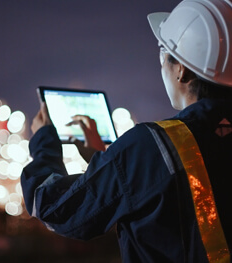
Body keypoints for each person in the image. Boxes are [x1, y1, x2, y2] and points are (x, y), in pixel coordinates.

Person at [20, 0, 232, 262]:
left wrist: (43, 141)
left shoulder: (152, 145)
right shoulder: (154, 150)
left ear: (182, 69)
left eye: (163, 52)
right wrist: (107, 156)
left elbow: (55, 207)